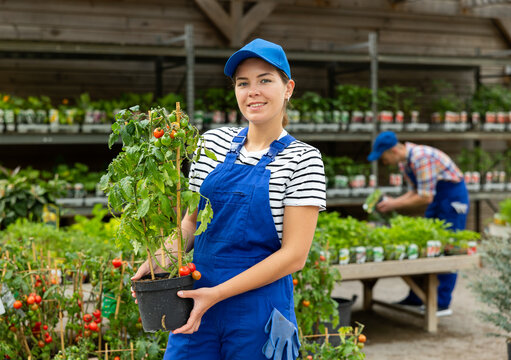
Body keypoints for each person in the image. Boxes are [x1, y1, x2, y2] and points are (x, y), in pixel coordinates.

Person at [132, 38, 326, 360]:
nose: (253, 91)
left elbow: (295, 256)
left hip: (258, 311)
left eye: (265, 80)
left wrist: (217, 294)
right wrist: (156, 262)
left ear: (288, 88)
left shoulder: (303, 159)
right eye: (243, 83)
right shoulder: (212, 142)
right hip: (195, 303)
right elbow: (191, 223)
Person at [367, 131, 469, 315]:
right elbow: (416, 191)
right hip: (436, 198)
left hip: (452, 199)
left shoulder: (421, 158)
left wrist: (393, 204)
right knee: (427, 245)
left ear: (393, 151)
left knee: (448, 248)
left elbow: (424, 196)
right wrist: (392, 202)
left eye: (383, 157)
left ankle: (441, 302)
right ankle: (417, 296)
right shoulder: (406, 164)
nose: (384, 162)